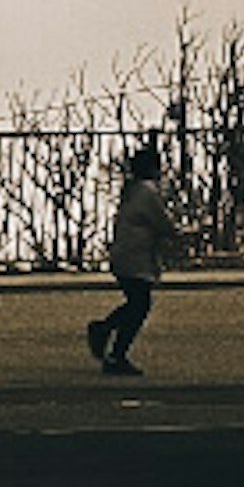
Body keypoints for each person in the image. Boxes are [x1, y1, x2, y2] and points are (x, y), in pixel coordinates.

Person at [87, 142, 189, 377]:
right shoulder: (147, 192)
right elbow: (161, 223)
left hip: (125, 255)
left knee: (136, 303)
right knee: (139, 305)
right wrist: (182, 233)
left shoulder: (133, 189)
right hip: (135, 257)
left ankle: (105, 332)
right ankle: (115, 352)